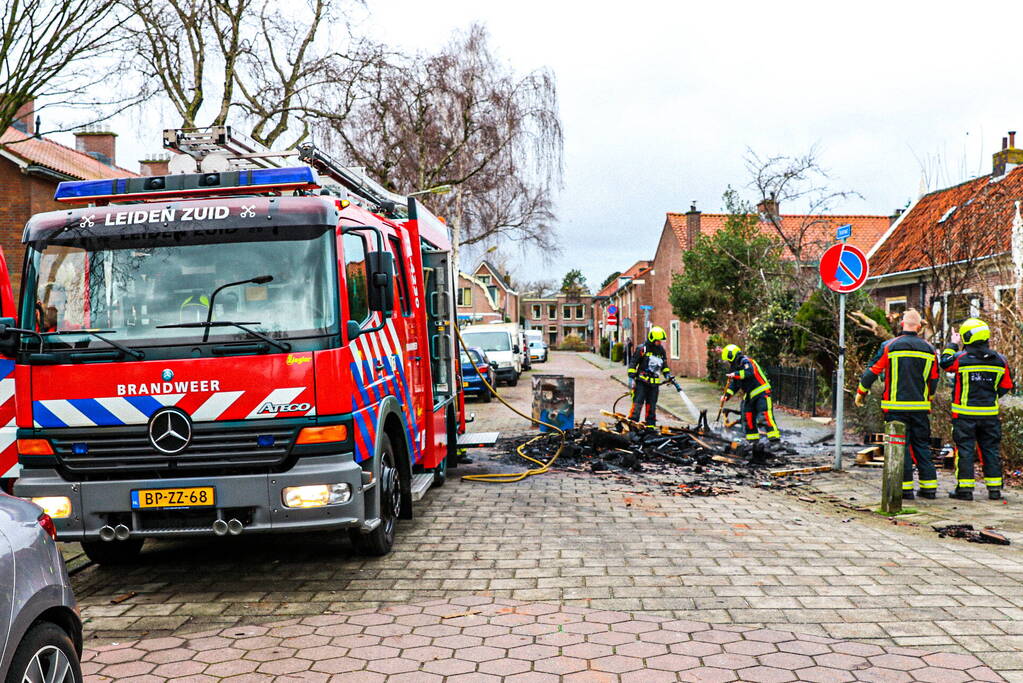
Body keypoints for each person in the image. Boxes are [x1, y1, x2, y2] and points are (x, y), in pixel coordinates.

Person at [855, 309, 939, 499]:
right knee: (922, 447)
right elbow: (934, 379)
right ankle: (929, 489)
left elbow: (871, 372)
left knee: (900, 447)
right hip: (919, 409)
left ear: (902, 324)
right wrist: (930, 398)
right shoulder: (930, 349)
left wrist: (861, 392)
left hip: (895, 409)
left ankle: (905, 490)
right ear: (919, 327)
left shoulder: (890, 346)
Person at [938, 318, 1013, 501]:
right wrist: (991, 397)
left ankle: (964, 490)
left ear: (967, 337)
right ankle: (994, 490)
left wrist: (952, 344)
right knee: (990, 450)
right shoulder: (1000, 360)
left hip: (964, 415)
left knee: (964, 450)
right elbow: (1006, 386)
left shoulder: (960, 359)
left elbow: (945, 362)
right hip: (989, 416)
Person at [720, 344, 781, 450]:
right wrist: (727, 395)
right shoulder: (736, 368)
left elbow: (749, 372)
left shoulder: (746, 361)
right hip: (749, 395)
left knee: (765, 416)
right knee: (747, 417)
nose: (728, 363)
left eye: (728, 360)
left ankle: (775, 441)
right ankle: (752, 441)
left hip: (761, 393)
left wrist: (735, 374)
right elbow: (735, 384)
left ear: (732, 356)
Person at [627, 327, 670, 426]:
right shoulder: (642, 349)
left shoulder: (661, 351)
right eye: (658, 341)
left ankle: (650, 425)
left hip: (654, 385)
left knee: (652, 405)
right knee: (638, 403)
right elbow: (633, 363)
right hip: (642, 382)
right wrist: (632, 376)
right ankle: (632, 423)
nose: (660, 343)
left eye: (661, 341)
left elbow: (664, 365)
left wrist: (667, 374)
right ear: (652, 339)